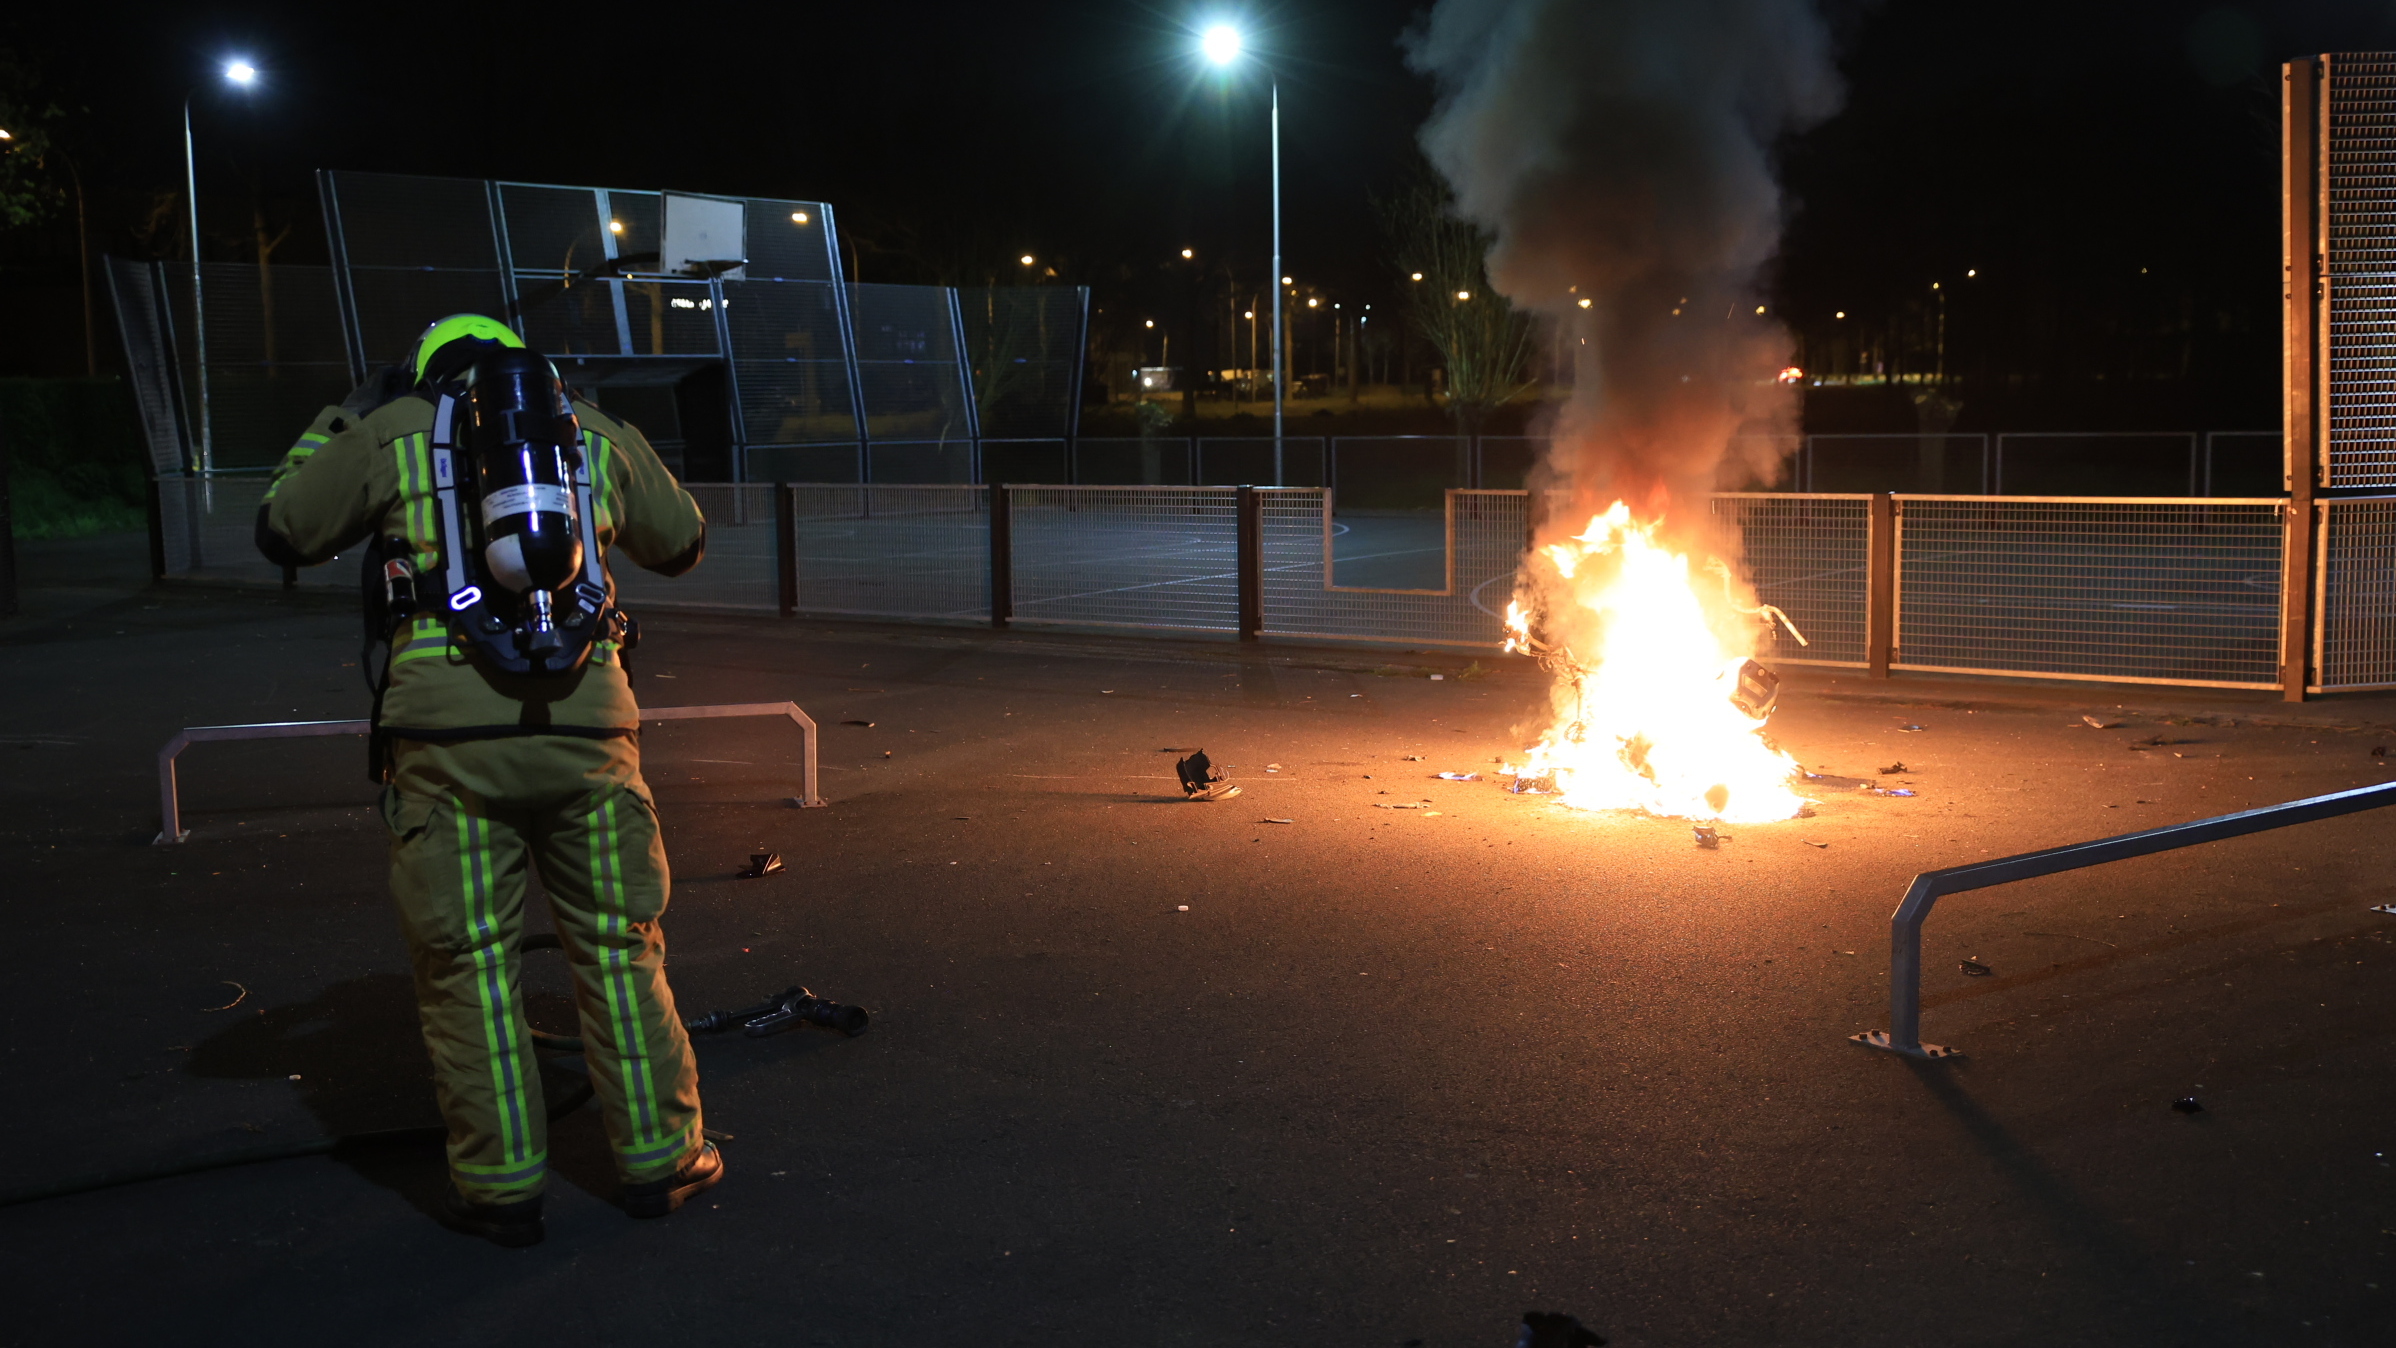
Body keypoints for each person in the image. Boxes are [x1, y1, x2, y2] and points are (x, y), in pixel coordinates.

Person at [256, 313, 717, 1246]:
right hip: (590, 738)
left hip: (448, 744)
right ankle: (662, 1162)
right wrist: (608, 440)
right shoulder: (583, 432)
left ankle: (502, 1188)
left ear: (422, 375)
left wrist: (344, 416)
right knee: (620, 948)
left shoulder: (391, 432)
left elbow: (284, 526)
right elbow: (683, 538)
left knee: (468, 968)